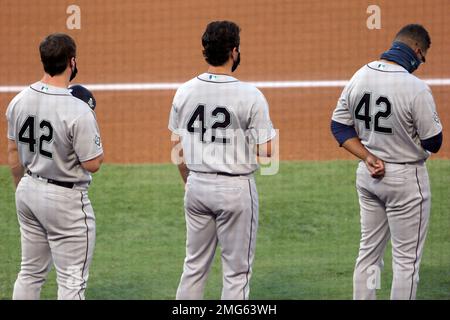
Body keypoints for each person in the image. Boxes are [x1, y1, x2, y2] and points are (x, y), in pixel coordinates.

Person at [331, 24, 443, 300]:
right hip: (406, 181)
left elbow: (339, 127)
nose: (421, 63)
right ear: (416, 51)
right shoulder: (415, 88)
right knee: (406, 262)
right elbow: (434, 142)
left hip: (369, 176)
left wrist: (368, 156)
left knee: (369, 254)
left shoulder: (360, 75)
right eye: (423, 56)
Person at [168, 20, 276, 300]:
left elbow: (177, 149)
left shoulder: (184, 91)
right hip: (235, 190)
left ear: (206, 51)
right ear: (234, 52)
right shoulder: (251, 95)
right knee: (236, 273)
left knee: (193, 267)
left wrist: (188, 182)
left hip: (196, 186)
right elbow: (267, 152)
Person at [6, 33, 104, 300]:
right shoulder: (78, 110)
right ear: (71, 62)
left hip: (28, 189)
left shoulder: (19, 100)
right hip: (65, 201)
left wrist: (24, 188)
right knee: (72, 281)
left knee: (29, 273)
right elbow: (92, 163)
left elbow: (12, 152)